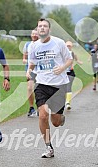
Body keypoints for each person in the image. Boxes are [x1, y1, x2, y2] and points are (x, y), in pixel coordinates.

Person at [26, 18, 73, 158]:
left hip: (59, 85)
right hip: (41, 84)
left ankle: (60, 118)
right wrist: (29, 71)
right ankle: (48, 147)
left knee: (56, 122)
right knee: (43, 115)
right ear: (37, 29)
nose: (42, 28)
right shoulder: (33, 46)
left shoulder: (58, 43)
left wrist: (62, 67)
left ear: (49, 30)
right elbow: (32, 63)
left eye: (45, 26)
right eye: (39, 26)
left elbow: (69, 59)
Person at [23, 29, 38, 117]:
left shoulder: (41, 44)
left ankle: (41, 106)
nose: (34, 35)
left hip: (40, 70)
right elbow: (24, 56)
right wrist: (25, 60)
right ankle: (31, 107)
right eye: (32, 34)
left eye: (35, 34)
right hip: (30, 70)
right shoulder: (27, 44)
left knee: (39, 89)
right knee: (29, 88)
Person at [65, 41, 83, 110]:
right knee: (63, 88)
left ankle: (68, 102)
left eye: (69, 46)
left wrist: (80, 62)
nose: (68, 47)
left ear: (71, 47)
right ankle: (65, 101)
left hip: (71, 72)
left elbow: (77, 60)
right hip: (63, 73)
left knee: (69, 86)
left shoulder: (73, 54)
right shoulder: (62, 53)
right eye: (67, 46)